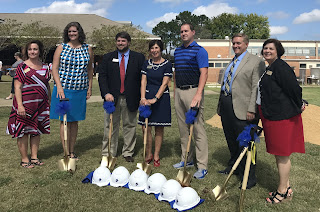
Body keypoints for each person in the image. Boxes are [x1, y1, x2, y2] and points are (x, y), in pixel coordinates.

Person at [258, 38, 305, 203]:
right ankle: (287, 186)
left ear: (278, 51)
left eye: (271, 48)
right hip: (272, 116)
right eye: (265, 48)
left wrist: (299, 104)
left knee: (282, 155)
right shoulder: (270, 68)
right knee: (278, 155)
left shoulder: (281, 67)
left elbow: (294, 89)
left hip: (281, 118)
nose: (267, 51)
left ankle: (282, 191)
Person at [217, 33, 265, 189]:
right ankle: (235, 167)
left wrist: (252, 109)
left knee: (246, 143)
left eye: (238, 43)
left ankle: (249, 177)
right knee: (231, 139)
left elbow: (256, 87)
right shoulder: (232, 61)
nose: (235, 46)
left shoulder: (256, 62)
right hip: (227, 105)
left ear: (246, 44)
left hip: (245, 109)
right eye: (234, 43)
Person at [98, 32, 145, 162]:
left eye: (123, 41)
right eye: (118, 41)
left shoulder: (139, 57)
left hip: (131, 97)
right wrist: (106, 93)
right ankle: (109, 152)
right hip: (111, 99)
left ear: (129, 42)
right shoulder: (108, 57)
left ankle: (128, 152)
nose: (120, 43)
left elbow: (143, 78)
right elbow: (102, 77)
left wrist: (142, 96)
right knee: (110, 125)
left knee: (129, 125)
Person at [50, 22, 94, 160]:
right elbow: (55, 69)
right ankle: (65, 152)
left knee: (74, 121)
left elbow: (90, 69)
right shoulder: (61, 47)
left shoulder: (88, 48)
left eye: (74, 31)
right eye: (69, 31)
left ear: (79, 32)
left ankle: (72, 150)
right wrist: (59, 87)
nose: (72, 34)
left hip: (80, 90)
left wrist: (89, 87)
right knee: (64, 121)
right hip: (62, 90)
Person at [172, 23, 209, 179]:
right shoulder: (177, 51)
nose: (183, 33)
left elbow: (204, 73)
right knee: (183, 129)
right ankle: (186, 159)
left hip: (193, 91)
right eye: (181, 31)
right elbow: (176, 72)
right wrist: (175, 91)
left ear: (193, 32)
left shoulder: (200, 51)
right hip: (179, 91)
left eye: (186, 31)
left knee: (197, 129)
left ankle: (202, 166)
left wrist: (198, 94)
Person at [7, 40, 51, 168]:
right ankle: (24, 159)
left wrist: (48, 101)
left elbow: (46, 85)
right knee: (23, 131)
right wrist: (20, 105)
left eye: (35, 49)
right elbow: (17, 87)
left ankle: (34, 157)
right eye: (30, 49)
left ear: (39, 51)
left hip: (40, 105)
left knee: (36, 131)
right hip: (24, 105)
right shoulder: (22, 67)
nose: (32, 52)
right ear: (27, 51)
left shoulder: (45, 67)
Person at [138, 40, 172, 167]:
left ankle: (156, 155)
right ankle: (148, 154)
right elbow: (143, 81)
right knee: (145, 127)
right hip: (146, 97)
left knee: (159, 127)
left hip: (161, 98)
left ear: (161, 49)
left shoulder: (167, 64)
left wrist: (155, 99)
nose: (154, 50)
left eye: (156, 48)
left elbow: (164, 83)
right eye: (152, 48)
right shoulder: (146, 63)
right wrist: (142, 98)